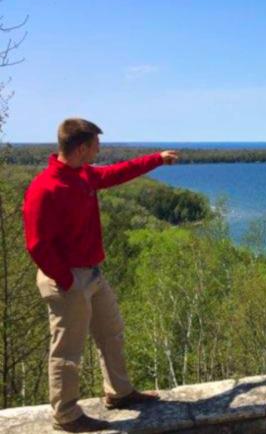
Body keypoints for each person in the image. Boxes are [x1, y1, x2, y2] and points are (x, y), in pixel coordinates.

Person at [22, 118, 178, 432]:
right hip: (68, 280)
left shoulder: (82, 175)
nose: (99, 150)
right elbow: (37, 245)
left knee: (111, 333)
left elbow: (117, 172)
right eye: (95, 145)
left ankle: (119, 393)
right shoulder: (45, 188)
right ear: (81, 148)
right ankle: (66, 415)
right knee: (67, 351)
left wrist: (156, 160)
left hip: (91, 275)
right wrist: (66, 281)